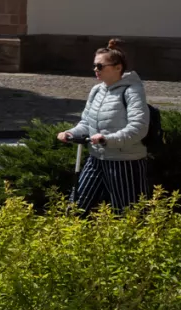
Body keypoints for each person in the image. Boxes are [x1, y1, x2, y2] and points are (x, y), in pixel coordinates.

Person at [58, 39, 152, 211]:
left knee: (129, 214)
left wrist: (107, 139)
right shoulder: (97, 90)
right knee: (76, 208)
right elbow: (86, 122)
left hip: (124, 162)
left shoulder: (132, 91)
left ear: (118, 67)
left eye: (100, 66)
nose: (96, 70)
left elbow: (138, 128)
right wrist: (71, 133)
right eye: (94, 66)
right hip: (97, 158)